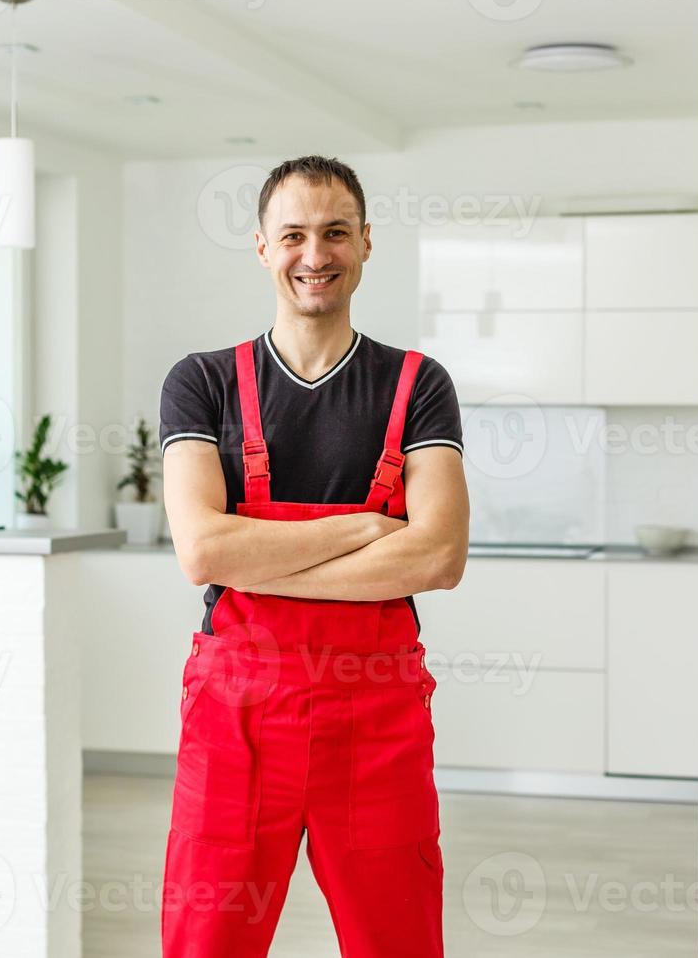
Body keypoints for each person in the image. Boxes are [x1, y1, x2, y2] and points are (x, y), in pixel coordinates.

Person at [157, 154, 470, 957]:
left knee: (396, 941)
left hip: (376, 722)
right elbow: (202, 550)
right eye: (293, 234)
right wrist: (363, 527)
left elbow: (437, 557)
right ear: (262, 246)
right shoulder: (201, 383)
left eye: (335, 233)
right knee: (208, 942)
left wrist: (256, 554)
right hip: (237, 721)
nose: (315, 254)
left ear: (366, 243)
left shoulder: (417, 383)